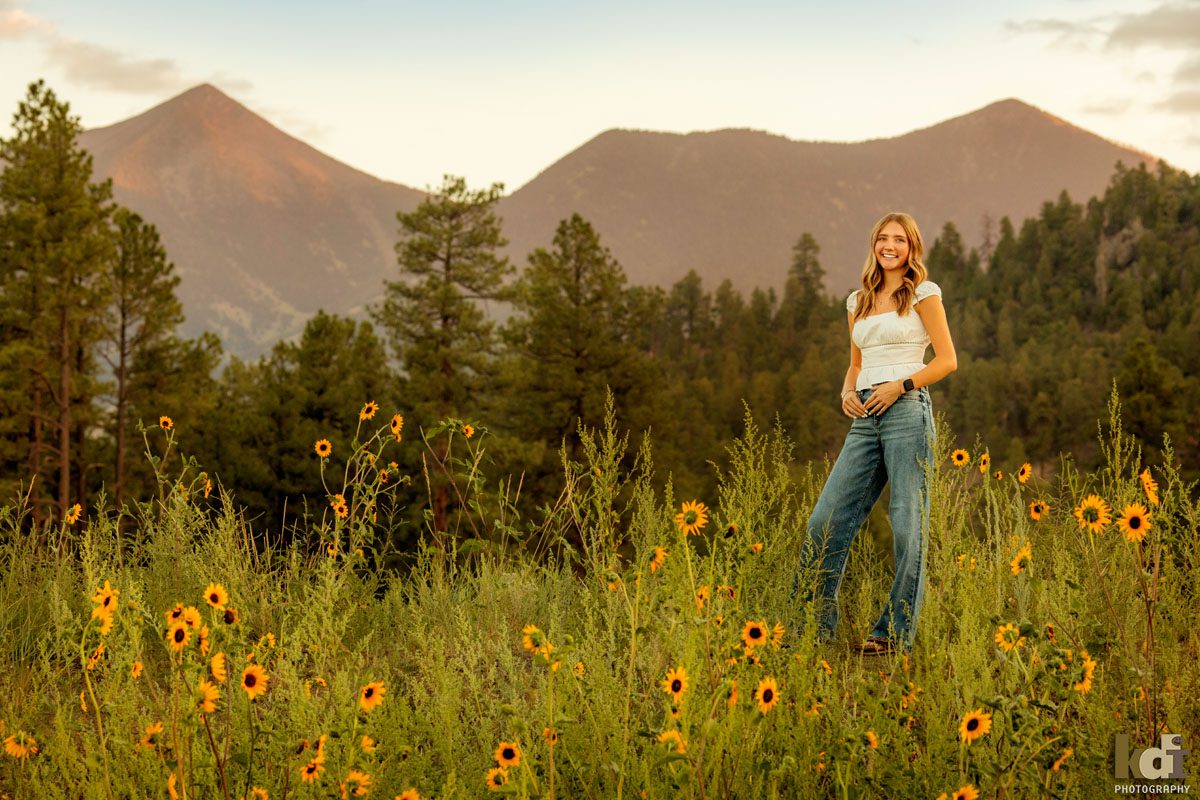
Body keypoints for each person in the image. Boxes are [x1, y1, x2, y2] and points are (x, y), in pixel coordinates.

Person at [799, 212, 957, 654]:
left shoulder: (923, 293)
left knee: (907, 524)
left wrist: (902, 385)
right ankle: (812, 629)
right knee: (824, 522)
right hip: (865, 416)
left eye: (900, 240)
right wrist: (847, 390)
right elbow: (856, 362)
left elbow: (946, 360)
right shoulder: (858, 301)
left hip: (906, 408)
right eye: (883, 239)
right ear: (874, 245)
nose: (890, 246)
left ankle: (893, 633)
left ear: (912, 249)